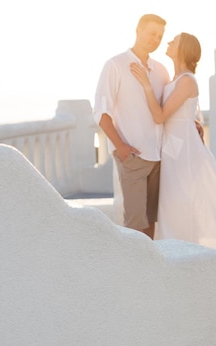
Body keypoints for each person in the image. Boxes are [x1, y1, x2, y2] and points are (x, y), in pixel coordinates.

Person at [130, 32, 216, 250]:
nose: (168, 42)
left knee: (181, 199)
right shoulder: (174, 79)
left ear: (184, 49)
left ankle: (183, 250)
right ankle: (175, 249)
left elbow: (160, 116)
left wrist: (146, 85)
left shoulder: (186, 81)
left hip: (183, 149)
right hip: (172, 146)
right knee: (171, 201)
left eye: (174, 41)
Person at [94, 14, 170, 238]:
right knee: (135, 225)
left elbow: (165, 109)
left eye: (160, 36)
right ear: (138, 31)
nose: (155, 39)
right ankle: (136, 272)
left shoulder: (161, 70)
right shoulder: (115, 65)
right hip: (133, 158)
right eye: (151, 33)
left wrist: (193, 121)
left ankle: (150, 271)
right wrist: (121, 147)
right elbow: (101, 112)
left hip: (159, 158)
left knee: (150, 222)